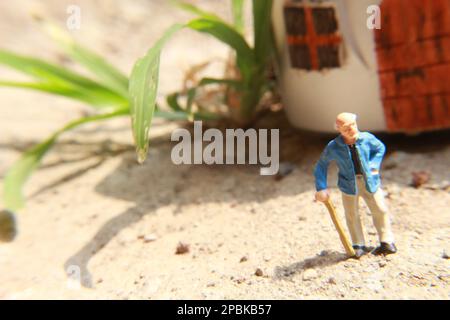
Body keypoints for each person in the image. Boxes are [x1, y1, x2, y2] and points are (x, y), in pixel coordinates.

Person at [314, 113, 397, 258]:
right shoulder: (334, 146)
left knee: (380, 209)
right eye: (346, 127)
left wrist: (373, 165)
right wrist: (321, 187)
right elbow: (321, 165)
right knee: (351, 214)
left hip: (370, 181)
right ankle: (358, 244)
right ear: (339, 129)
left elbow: (380, 148)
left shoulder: (366, 138)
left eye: (353, 124)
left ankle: (386, 241)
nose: (351, 129)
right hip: (348, 185)